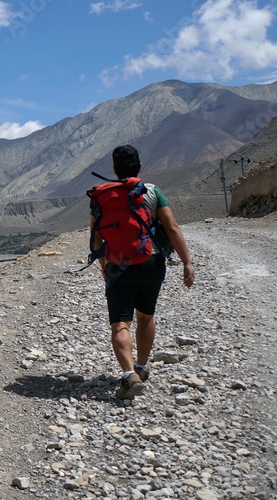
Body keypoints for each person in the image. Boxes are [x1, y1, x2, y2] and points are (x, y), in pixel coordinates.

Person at [91, 145, 195, 400]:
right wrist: (187, 262)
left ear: (114, 170)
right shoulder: (152, 191)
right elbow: (171, 227)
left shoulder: (103, 196)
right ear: (139, 167)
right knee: (145, 317)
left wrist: (104, 267)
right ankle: (142, 366)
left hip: (118, 266)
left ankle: (129, 376)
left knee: (120, 323)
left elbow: (95, 239)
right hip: (152, 262)